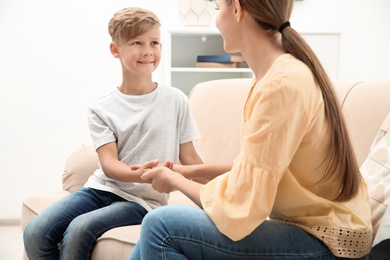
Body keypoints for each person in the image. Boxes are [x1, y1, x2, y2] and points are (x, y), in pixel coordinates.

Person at [129, 0, 373, 259]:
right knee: (149, 237)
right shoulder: (276, 76)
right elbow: (253, 169)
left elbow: (242, 204)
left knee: (160, 226)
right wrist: (185, 171)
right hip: (313, 231)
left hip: (329, 242)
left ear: (236, 9)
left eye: (217, 9)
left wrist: (175, 181)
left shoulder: (282, 85)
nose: (216, 20)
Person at [23, 7, 203, 259]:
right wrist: (142, 174)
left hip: (140, 202)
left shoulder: (176, 100)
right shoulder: (101, 107)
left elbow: (191, 157)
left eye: (154, 42)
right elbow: (109, 165)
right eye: (136, 43)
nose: (148, 51)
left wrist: (222, 190)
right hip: (99, 189)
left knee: (79, 230)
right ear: (115, 50)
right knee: (36, 231)